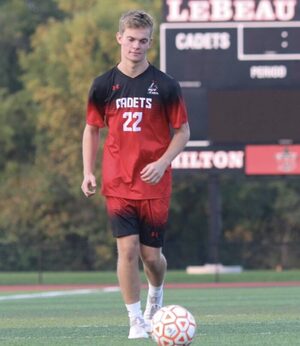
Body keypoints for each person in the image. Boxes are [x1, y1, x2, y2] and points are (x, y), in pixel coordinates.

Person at [81, 10, 190, 339]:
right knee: (126, 250)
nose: (136, 46)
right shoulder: (103, 85)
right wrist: (87, 171)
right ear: (119, 38)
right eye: (130, 39)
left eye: (143, 41)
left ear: (150, 43)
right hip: (117, 181)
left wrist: (162, 163)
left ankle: (156, 295)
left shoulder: (166, 85)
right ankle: (135, 320)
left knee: (151, 257)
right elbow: (91, 129)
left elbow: (183, 132)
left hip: (155, 184)